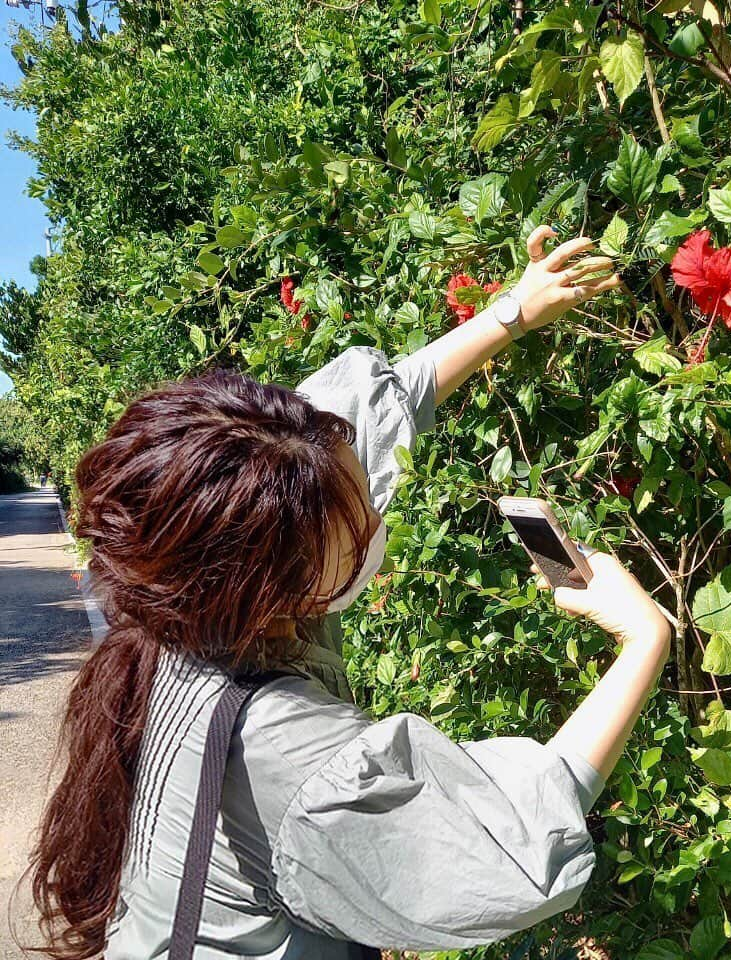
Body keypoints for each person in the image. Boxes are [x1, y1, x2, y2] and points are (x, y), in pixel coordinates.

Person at [28, 227, 672, 959]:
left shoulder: (192, 582)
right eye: (360, 518)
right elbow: (505, 846)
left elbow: (361, 418)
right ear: (286, 584)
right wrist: (643, 638)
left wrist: (512, 311)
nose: (376, 513)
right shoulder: (280, 748)